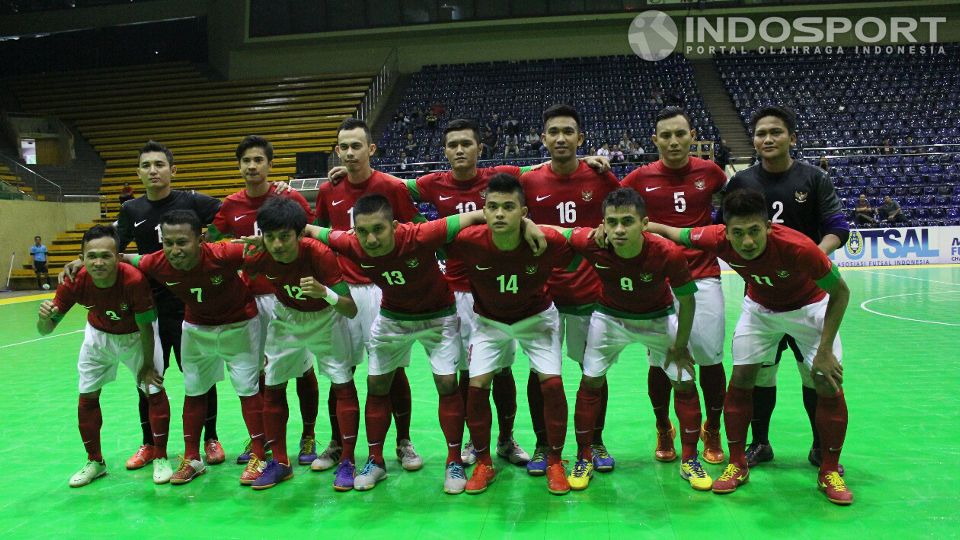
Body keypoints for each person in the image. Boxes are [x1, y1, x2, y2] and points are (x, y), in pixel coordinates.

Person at [306, 194, 540, 494]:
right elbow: (313, 230)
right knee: (377, 385)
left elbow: (475, 216)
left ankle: (453, 461)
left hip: (438, 317)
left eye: (378, 229)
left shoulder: (420, 234)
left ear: (394, 225)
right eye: (362, 231)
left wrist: (528, 222)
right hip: (393, 318)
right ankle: (376, 461)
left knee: (447, 384)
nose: (371, 238)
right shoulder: (350, 243)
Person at [648, 188, 853, 505]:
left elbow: (840, 293)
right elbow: (674, 232)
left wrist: (825, 351)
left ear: (768, 227)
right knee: (741, 379)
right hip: (760, 311)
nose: (747, 242)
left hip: (808, 309)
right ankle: (736, 463)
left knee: (827, 382)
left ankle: (829, 470)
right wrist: (640, 226)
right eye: (738, 233)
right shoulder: (715, 238)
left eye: (755, 231)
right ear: (725, 232)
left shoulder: (798, 248)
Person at [68, 141, 225, 471]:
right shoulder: (131, 210)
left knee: (200, 376)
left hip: (190, 305)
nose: (153, 170)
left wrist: (210, 244)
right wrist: (77, 262)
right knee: (149, 379)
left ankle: (210, 437)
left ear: (172, 169)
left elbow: (230, 215)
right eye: (146, 166)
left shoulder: (193, 201)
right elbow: (113, 246)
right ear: (138, 173)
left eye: (159, 164)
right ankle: (150, 444)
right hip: (149, 309)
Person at [724, 106, 849, 472]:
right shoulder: (742, 182)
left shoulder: (814, 179)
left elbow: (838, 227)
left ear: (792, 137)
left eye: (776, 132)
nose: (767, 139)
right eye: (761, 133)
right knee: (761, 374)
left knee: (815, 374)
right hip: (762, 300)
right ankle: (760, 443)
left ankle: (819, 448)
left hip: (809, 297)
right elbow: (724, 231)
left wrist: (812, 259)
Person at [563, 188, 707, 491]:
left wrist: (680, 347)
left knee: (684, 381)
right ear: (602, 224)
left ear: (644, 223)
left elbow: (688, 302)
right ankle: (583, 456)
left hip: (658, 318)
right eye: (611, 222)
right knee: (590, 381)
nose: (618, 229)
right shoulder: (594, 244)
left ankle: (691, 458)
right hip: (609, 318)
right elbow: (558, 232)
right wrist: (526, 225)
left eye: (627, 221)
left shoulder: (668, 252)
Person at [446, 173, 575, 495]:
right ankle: (483, 463)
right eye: (492, 207)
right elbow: (423, 233)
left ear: (524, 211)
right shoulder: (467, 241)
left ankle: (556, 462)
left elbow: (580, 244)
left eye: (508, 207)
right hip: (489, 323)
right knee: (476, 388)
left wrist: (540, 228)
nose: (500, 214)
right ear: (483, 211)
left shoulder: (547, 240)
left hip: (537, 318)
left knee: (553, 384)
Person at [126, 210, 268, 485]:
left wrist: (263, 245)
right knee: (193, 391)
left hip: (239, 325)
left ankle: (260, 455)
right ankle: (192, 458)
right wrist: (79, 263)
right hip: (196, 329)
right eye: (168, 243)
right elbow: (125, 259)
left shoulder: (224, 253)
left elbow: (270, 253)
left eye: (182, 242)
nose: (174, 250)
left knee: (248, 391)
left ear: (200, 239)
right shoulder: (156, 262)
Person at [314, 118, 424, 473]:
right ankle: (336, 441)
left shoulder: (391, 187)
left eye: (356, 146)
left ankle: (403, 441)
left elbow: (413, 234)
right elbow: (319, 238)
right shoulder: (328, 191)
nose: (349, 153)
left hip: (383, 290)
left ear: (371, 149)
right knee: (340, 371)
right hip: (343, 292)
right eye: (343, 147)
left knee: (391, 371)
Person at [621, 107, 729, 467]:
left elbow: (735, 206)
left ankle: (712, 428)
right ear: (655, 140)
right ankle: (663, 426)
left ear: (691, 135)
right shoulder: (639, 177)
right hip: (659, 280)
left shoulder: (711, 172)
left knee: (710, 357)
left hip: (702, 275)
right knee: (660, 359)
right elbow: (613, 208)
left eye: (679, 134)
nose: (673, 142)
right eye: (665, 136)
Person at [207, 135, 322, 468]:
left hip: (289, 297)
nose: (252, 166)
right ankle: (267, 437)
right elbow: (212, 245)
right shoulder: (229, 206)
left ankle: (309, 433)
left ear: (270, 165)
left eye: (258, 160)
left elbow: (314, 236)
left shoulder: (291, 199)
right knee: (260, 371)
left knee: (302, 369)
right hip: (251, 301)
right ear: (239, 166)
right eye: (246, 161)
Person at [519, 104, 620, 476]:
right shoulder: (528, 181)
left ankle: (593, 441)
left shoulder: (602, 178)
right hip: (541, 295)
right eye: (553, 132)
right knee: (539, 373)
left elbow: (621, 216)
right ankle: (544, 444)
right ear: (543, 138)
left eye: (568, 132)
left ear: (580, 138)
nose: (560, 138)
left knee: (593, 370)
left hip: (588, 293)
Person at [239, 197, 359, 491]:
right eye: (270, 237)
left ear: (299, 234)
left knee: (343, 384)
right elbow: (226, 259)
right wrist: (244, 250)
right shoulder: (259, 254)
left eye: (284, 237)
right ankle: (280, 462)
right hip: (286, 319)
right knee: (274, 385)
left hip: (325, 318)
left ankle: (347, 460)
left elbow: (350, 308)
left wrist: (324, 292)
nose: (277, 244)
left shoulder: (318, 253)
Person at [38, 225, 171, 487]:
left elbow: (146, 326)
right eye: (92, 256)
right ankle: (95, 462)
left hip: (136, 335)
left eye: (106, 256)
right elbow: (45, 330)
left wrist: (146, 365)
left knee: (152, 389)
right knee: (87, 396)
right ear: (82, 257)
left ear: (118, 256)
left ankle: (161, 456)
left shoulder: (133, 280)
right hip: (98, 336)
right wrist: (43, 319)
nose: (99, 262)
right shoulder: (74, 280)